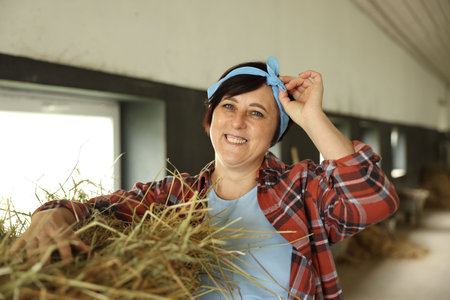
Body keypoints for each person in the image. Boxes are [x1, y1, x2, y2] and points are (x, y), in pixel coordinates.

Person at [12, 56, 399, 299]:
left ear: (275, 134)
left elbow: (372, 202)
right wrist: (54, 212)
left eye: (257, 113)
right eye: (228, 106)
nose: (238, 121)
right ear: (210, 119)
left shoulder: (299, 188)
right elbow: (98, 210)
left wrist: (312, 117)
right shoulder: (174, 195)